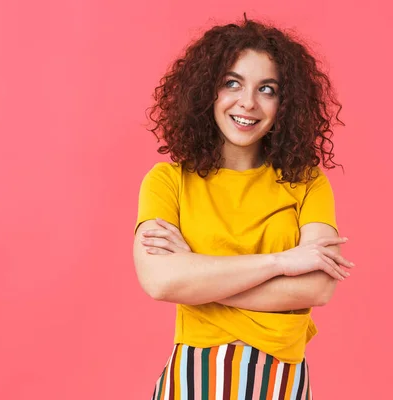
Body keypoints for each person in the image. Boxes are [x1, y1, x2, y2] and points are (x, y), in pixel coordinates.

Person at [133, 15, 354, 400]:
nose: (248, 103)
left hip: (280, 382)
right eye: (232, 83)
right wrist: (281, 263)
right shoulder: (167, 181)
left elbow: (318, 287)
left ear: (286, 104)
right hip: (193, 381)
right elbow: (161, 281)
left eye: (267, 89)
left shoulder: (307, 183)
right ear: (207, 92)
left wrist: (197, 277)